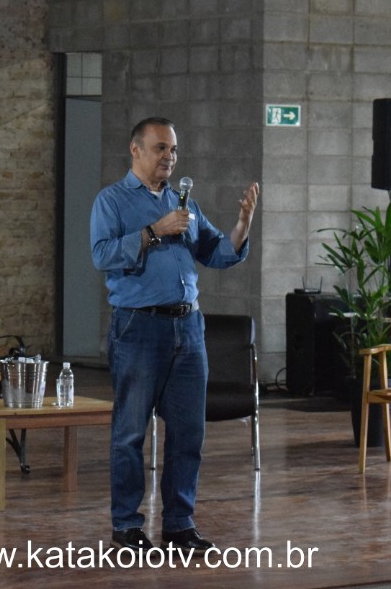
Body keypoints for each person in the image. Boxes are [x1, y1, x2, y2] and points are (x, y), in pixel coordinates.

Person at [89, 117, 259, 554]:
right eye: (161, 148)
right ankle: (127, 526)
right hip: (139, 327)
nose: (169, 157)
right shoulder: (112, 201)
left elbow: (217, 253)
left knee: (188, 432)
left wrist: (243, 224)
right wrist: (153, 232)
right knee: (130, 432)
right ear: (136, 150)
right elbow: (102, 255)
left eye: (174, 150)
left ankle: (180, 525)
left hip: (188, 328)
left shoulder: (185, 204)